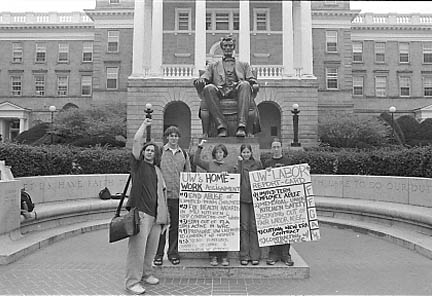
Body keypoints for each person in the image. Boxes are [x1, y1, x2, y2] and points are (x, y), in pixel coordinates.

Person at [124, 117, 170, 295]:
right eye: (147, 150)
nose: (150, 152)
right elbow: (136, 141)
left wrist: (165, 219)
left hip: (157, 216)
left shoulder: (157, 170)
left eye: (152, 151)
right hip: (141, 214)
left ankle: (146, 274)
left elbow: (163, 195)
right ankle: (132, 282)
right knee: (137, 250)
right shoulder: (138, 166)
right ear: (143, 153)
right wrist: (144, 125)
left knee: (150, 249)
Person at [194, 35, 260, 138]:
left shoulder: (244, 65)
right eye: (225, 46)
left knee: (245, 84)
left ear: (234, 47)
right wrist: (201, 80)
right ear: (222, 48)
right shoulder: (213, 65)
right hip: (220, 91)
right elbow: (205, 76)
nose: (228, 48)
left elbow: (251, 78)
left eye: (230, 46)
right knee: (208, 88)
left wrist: (253, 83)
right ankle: (221, 126)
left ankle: (241, 126)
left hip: (237, 90)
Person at [154, 126, 191, 266]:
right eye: (171, 136)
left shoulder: (184, 154)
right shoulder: (161, 152)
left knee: (175, 226)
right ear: (167, 137)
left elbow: (188, 174)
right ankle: (158, 254)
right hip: (163, 196)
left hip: (179, 196)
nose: (174, 138)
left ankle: (173, 253)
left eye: (176, 136)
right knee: (162, 225)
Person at [194, 139, 235, 266]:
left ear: (224, 154)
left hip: (225, 204)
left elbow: (235, 181)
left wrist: (228, 176)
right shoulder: (209, 165)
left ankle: (224, 256)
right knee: (212, 230)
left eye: (221, 152)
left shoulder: (229, 167)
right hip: (211, 203)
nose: (219, 154)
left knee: (224, 230)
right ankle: (212, 256)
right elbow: (196, 161)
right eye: (217, 152)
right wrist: (200, 147)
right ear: (214, 154)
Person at [263, 138, 294, 266]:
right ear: (271, 149)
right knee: (273, 228)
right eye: (274, 147)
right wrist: (265, 173)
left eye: (278, 146)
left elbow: (294, 177)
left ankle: (286, 254)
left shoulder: (288, 162)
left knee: (286, 228)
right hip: (272, 200)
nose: (276, 149)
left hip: (285, 200)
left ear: (281, 148)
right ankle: (274, 254)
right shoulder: (267, 162)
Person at [235, 144, 262, 265]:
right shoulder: (238, 165)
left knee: (254, 227)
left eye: (248, 152)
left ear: (251, 153)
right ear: (241, 153)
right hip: (243, 199)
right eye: (244, 152)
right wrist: (240, 164)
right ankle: (244, 255)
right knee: (244, 227)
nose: (246, 154)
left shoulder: (258, 164)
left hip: (255, 199)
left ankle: (255, 255)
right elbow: (237, 179)